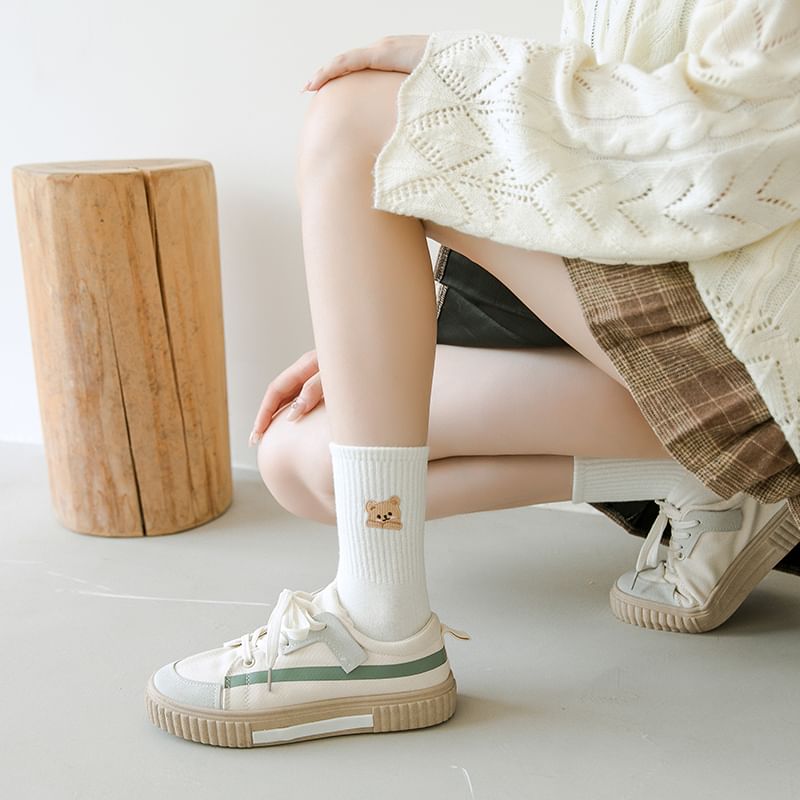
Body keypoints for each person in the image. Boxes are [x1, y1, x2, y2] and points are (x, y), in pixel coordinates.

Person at [145, 0, 800, 747]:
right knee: (300, 456)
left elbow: (729, 145)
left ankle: (379, 626)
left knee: (358, 116)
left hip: (763, 324)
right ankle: (714, 481)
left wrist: (469, 71)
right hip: (679, 286)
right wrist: (375, 333)